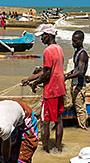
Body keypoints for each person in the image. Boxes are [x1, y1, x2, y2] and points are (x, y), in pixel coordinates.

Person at [21, 23, 65, 153]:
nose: (41, 39)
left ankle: (45, 150)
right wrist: (30, 79)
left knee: (44, 122)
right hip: (60, 89)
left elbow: (46, 74)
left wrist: (35, 84)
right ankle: (58, 148)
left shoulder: (47, 51)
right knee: (58, 120)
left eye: (42, 36)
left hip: (51, 91)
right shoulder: (59, 48)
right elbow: (49, 70)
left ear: (48, 35)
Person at [64, 30, 89, 129]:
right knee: (75, 106)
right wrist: (68, 73)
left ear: (82, 40)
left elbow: (81, 72)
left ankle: (84, 128)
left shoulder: (82, 54)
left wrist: (67, 77)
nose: (73, 43)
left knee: (80, 109)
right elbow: (76, 69)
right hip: (74, 84)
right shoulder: (77, 52)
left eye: (76, 41)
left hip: (79, 85)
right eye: (72, 41)